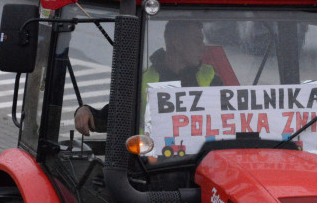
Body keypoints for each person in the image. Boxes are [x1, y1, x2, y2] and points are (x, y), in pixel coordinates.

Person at [75, 19, 222, 134]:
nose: (203, 48)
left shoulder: (210, 77)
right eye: (197, 41)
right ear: (177, 45)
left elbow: (232, 116)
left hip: (201, 163)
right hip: (150, 166)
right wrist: (86, 112)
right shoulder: (142, 80)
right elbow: (116, 117)